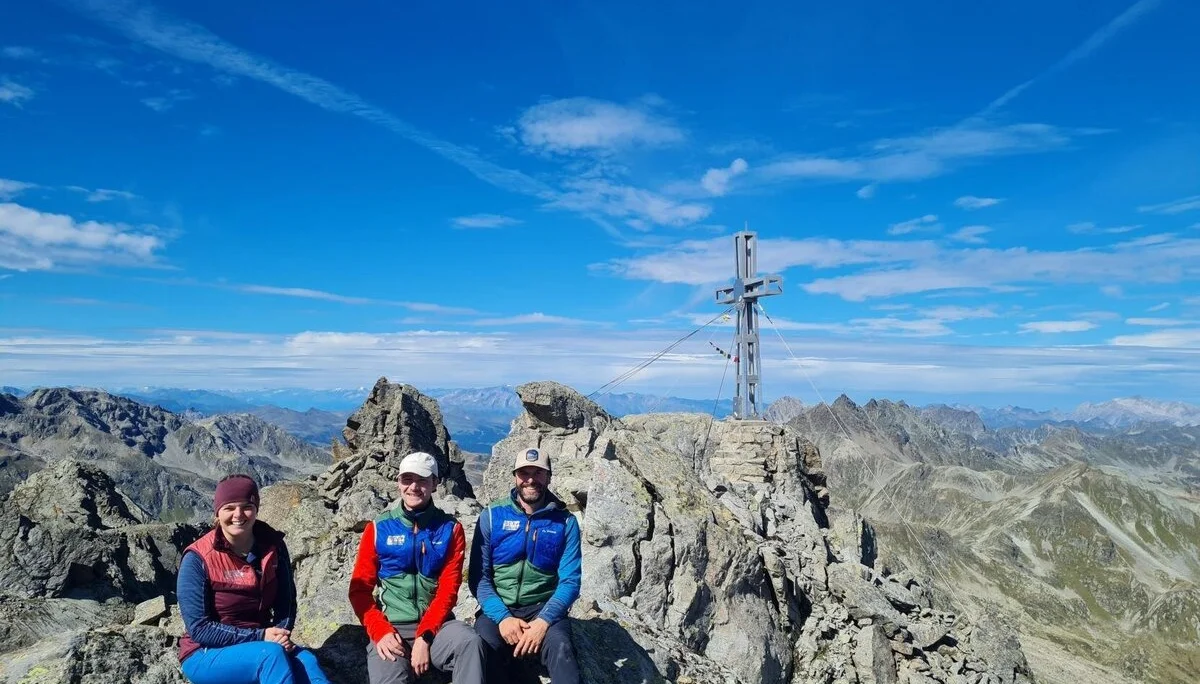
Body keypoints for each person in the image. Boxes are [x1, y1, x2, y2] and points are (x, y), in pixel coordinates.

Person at [177, 474, 331, 684]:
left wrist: (280, 634)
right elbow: (200, 628)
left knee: (308, 663)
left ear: (256, 509)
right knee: (269, 657)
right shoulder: (198, 558)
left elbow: (286, 602)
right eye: (229, 507)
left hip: (264, 642)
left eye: (246, 506)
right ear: (218, 513)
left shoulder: (273, 546)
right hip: (205, 652)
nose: (238, 515)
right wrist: (261, 637)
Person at [349, 451, 485, 684]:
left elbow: (448, 590)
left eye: (422, 480)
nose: (414, 487)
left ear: (435, 483)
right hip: (392, 627)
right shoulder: (378, 529)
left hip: (438, 627)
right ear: (398, 483)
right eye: (407, 479)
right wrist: (380, 631)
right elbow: (359, 591)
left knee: (469, 641)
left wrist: (426, 635)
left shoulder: (450, 529)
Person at [469, 447, 582, 684]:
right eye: (524, 473)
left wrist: (543, 621)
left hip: (543, 608)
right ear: (514, 477)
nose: (530, 480)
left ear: (549, 477)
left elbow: (570, 581)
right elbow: (479, 578)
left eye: (538, 473)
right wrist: (503, 618)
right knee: (483, 648)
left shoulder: (565, 522)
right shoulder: (491, 516)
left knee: (561, 650)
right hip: (500, 606)